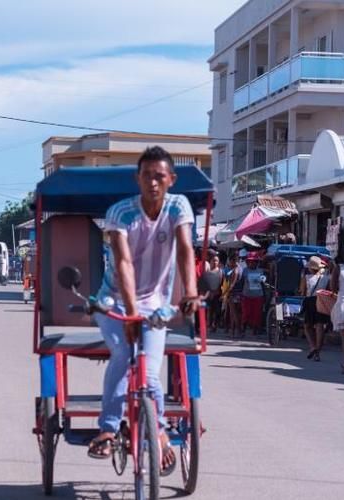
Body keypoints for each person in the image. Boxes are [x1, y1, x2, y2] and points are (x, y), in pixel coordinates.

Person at [88, 145, 200, 475]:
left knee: (149, 373)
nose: (153, 182)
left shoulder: (179, 206)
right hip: (113, 302)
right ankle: (109, 427)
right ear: (138, 178)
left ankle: (159, 430)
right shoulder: (121, 212)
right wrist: (131, 314)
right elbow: (123, 263)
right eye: (147, 176)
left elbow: (185, 251)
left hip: (155, 305)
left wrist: (191, 292)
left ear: (171, 180)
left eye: (160, 176)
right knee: (123, 353)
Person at [300, 255, 330, 361]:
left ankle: (312, 346)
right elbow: (329, 291)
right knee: (320, 326)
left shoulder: (306, 278)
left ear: (310, 268)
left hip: (310, 301)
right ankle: (318, 351)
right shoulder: (326, 278)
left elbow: (302, 292)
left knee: (307, 326)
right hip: (322, 301)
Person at [240, 252, 265, 336]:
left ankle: (255, 329)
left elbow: (263, 282)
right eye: (250, 261)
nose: (252, 263)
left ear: (257, 262)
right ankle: (243, 328)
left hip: (258, 296)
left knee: (257, 314)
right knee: (246, 313)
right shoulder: (245, 271)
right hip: (246, 295)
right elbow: (241, 282)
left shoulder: (261, 271)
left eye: (254, 262)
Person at [331, 234, 344, 374]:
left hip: (343, 303)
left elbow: (333, 288)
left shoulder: (338, 268)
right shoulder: (338, 268)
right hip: (342, 303)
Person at [225, 254, 243, 339]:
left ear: (233, 261)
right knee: (234, 313)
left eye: (230, 261)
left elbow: (232, 284)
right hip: (239, 293)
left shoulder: (235, 270)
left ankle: (238, 331)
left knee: (234, 313)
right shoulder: (240, 269)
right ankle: (232, 331)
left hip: (233, 294)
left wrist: (226, 293)